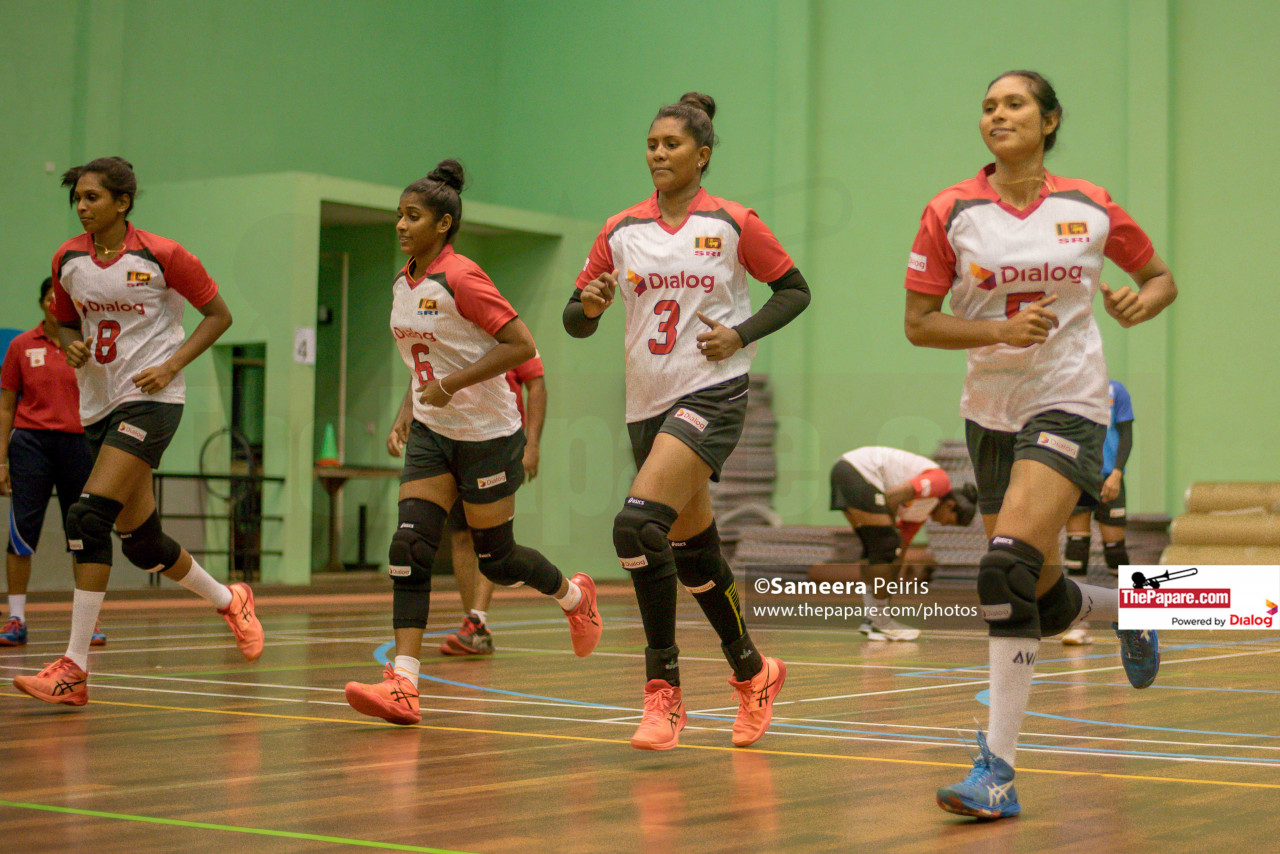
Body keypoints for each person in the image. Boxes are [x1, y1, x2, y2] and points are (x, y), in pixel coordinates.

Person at [902, 72, 1176, 818]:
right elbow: (920, 323)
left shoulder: (1087, 206)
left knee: (1001, 571)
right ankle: (1126, 609)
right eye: (987, 105)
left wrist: (1136, 304)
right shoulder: (951, 210)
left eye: (1014, 103)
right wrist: (994, 329)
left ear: (1049, 120)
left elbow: (1158, 278)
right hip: (989, 411)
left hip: (1071, 402)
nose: (998, 114)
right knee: (1033, 590)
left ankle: (997, 772)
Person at [564, 93, 810, 750]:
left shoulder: (733, 222)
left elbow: (795, 291)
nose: (658, 154)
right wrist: (586, 306)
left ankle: (663, 693)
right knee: (696, 557)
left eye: (671, 144)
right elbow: (574, 318)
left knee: (635, 525)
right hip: (646, 405)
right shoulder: (620, 231)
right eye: (651, 144)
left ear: (701, 154)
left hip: (712, 394)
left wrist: (740, 333)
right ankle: (755, 672)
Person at [345, 160, 600, 725]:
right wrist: (403, 415)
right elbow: (422, 364)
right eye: (398, 215)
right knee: (409, 547)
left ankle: (575, 599)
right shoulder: (402, 283)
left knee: (499, 559)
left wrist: (454, 386)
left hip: (488, 435)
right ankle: (404, 686)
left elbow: (521, 345)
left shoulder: (462, 277)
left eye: (412, 216)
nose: (400, 225)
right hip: (435, 436)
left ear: (443, 224)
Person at [12, 157, 263, 707]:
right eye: (77, 197)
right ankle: (230, 599)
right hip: (98, 405)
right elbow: (65, 317)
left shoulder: (163, 255)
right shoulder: (68, 258)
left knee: (85, 515)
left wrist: (173, 365)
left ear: (122, 203)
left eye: (93, 197)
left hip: (152, 399)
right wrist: (73, 342)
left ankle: (74, 669)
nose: (82, 206)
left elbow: (218, 316)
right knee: (144, 544)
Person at [0, 278, 103, 647]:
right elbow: (6, 406)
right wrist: (1, 463)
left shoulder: (88, 346)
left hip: (80, 445)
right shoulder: (20, 346)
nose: (56, 306)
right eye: (51, 299)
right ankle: (15, 619)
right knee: (21, 534)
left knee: (83, 534)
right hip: (30, 445)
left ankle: (87, 624)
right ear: (43, 303)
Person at [438, 354, 546, 656]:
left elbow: (537, 386)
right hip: (453, 439)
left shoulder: (509, 331)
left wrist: (533, 444)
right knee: (460, 535)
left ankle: (477, 619)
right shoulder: (450, 330)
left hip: (496, 443)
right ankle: (473, 624)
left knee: (488, 539)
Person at [830, 446, 977, 641]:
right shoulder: (940, 482)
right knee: (885, 546)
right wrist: (889, 543)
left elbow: (901, 551)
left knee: (876, 550)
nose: (942, 523)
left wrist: (893, 576)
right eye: (949, 520)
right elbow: (891, 497)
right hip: (857, 471)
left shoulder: (921, 512)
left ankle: (872, 619)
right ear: (951, 506)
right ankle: (881, 621)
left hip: (847, 472)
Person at [1061, 378, 1134, 645]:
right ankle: (1080, 623)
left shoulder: (1117, 390)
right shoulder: (1068, 389)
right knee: (1076, 547)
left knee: (1115, 549)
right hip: (1079, 478)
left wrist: (1116, 473)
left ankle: (1128, 617)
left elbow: (1126, 435)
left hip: (1109, 479)